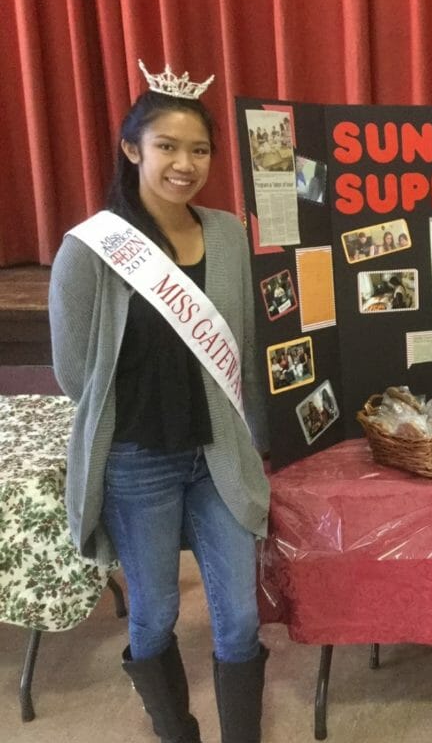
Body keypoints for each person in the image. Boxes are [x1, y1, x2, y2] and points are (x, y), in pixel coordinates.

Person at [49, 61, 271, 743]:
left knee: (237, 616)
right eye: (167, 146)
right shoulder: (89, 250)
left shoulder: (229, 234)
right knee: (154, 613)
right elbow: (74, 371)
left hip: (217, 454)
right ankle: (176, 731)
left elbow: (247, 342)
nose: (184, 163)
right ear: (132, 149)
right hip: (136, 459)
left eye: (199, 149)